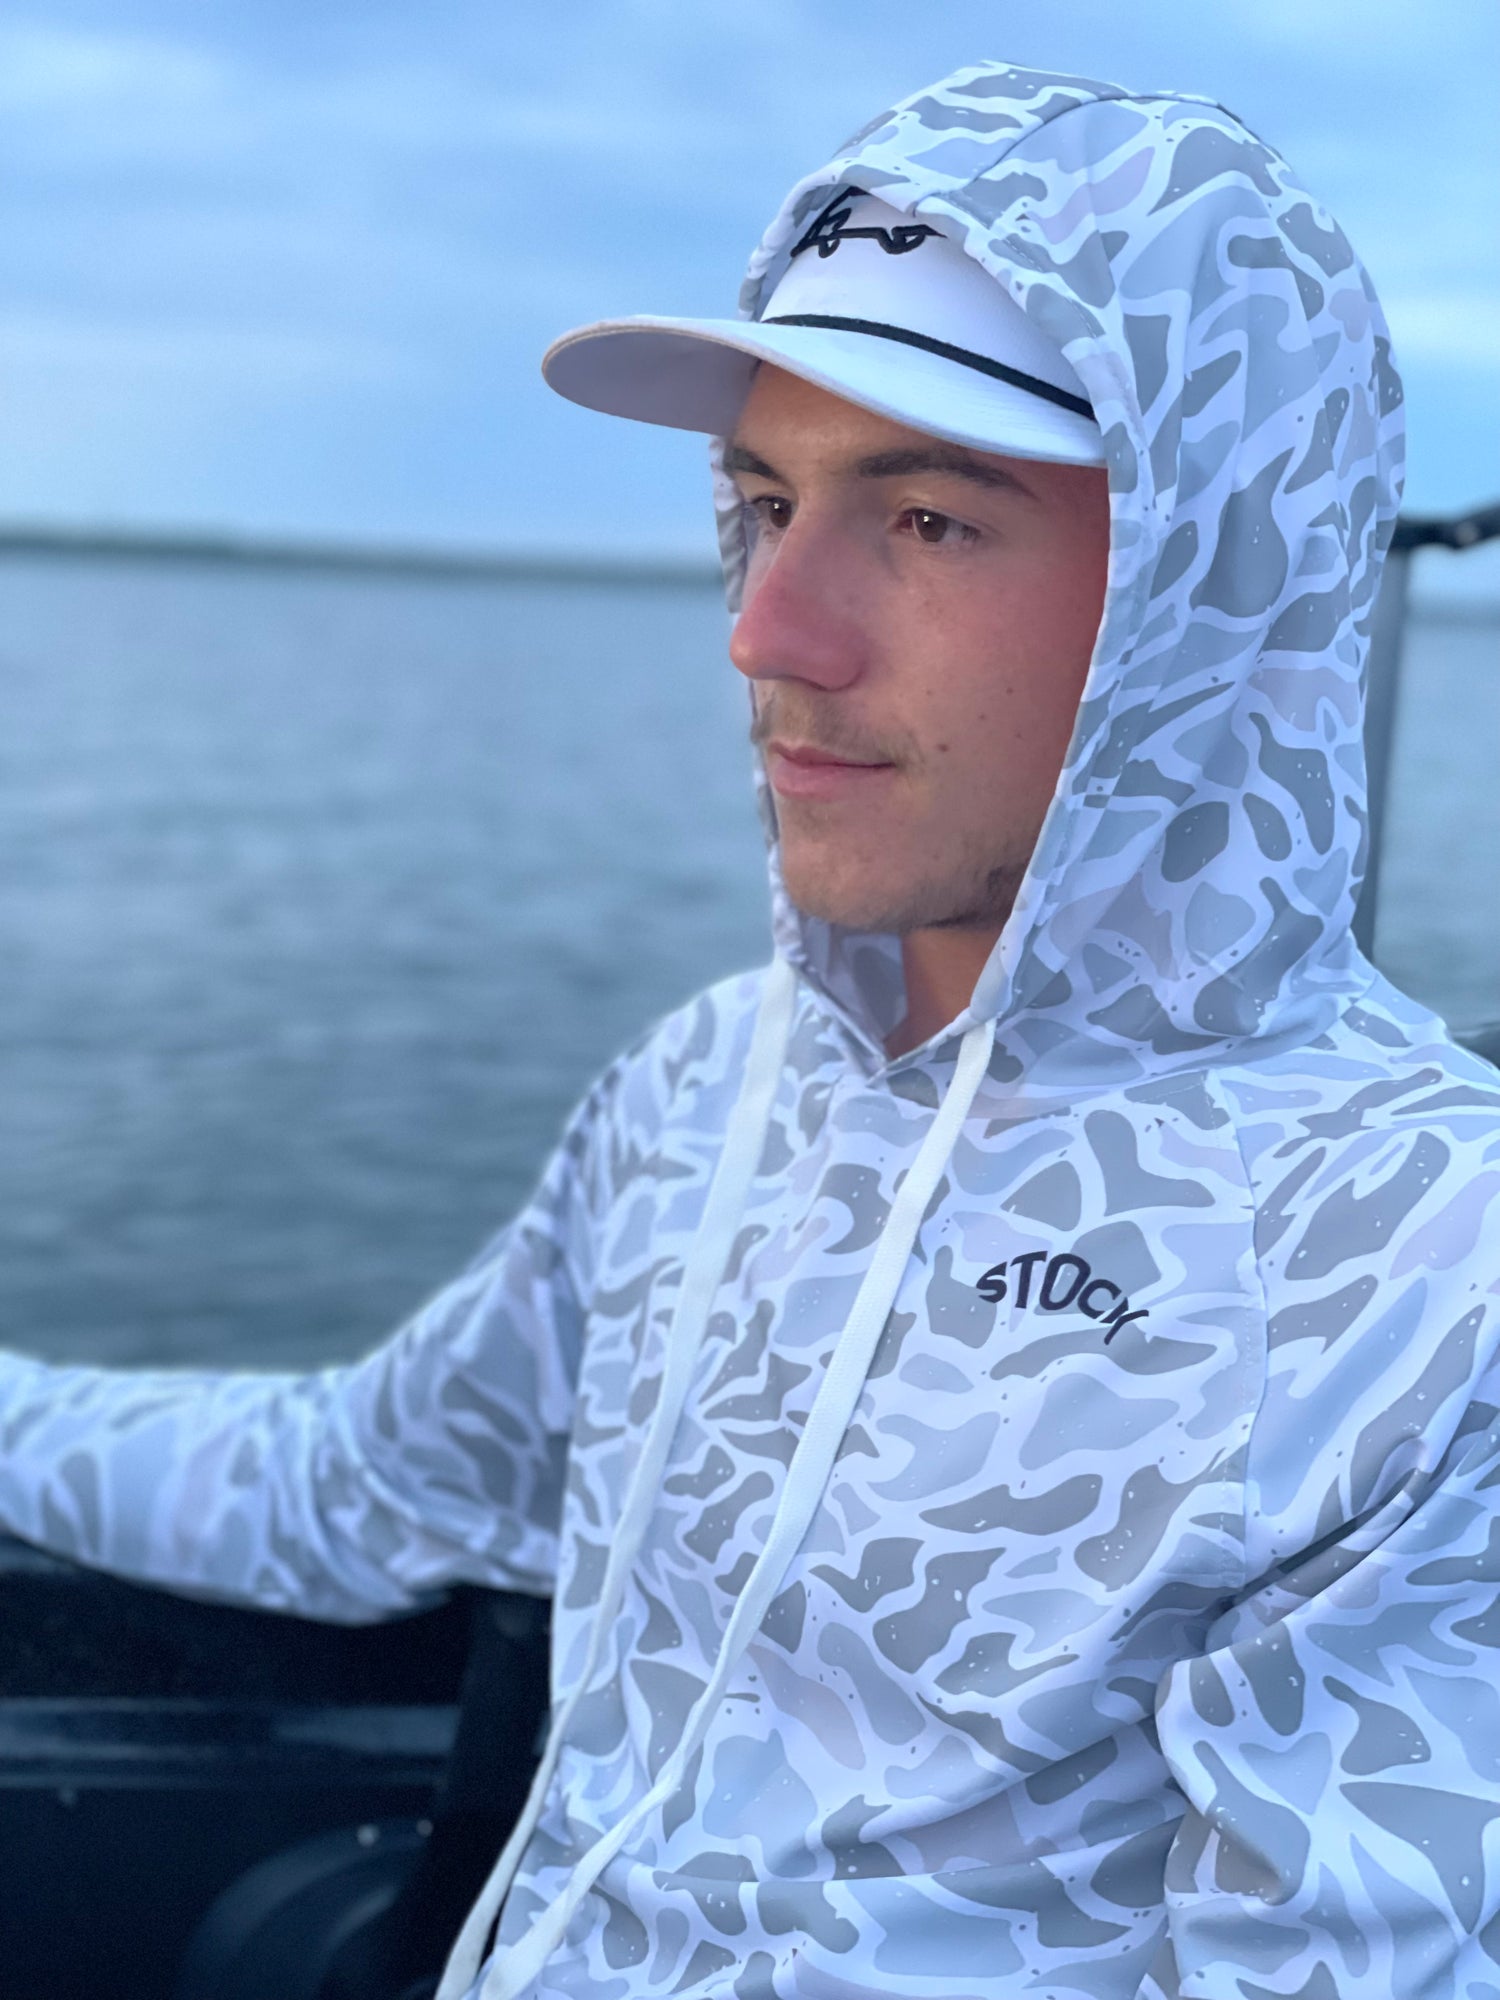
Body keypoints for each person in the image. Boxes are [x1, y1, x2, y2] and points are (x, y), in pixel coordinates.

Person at [3, 54, 1499, 2000]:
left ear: (1214, 588)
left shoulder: (1424, 1283)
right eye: (765, 502)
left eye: (930, 517)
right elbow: (354, 1487)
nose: (768, 629)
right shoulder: (706, 1092)